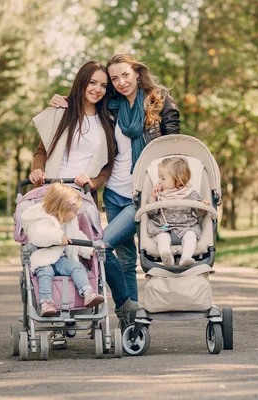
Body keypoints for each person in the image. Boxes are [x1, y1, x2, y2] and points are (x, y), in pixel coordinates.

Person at [50, 54, 180, 327]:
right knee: (125, 258)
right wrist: (59, 100)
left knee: (101, 245)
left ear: (137, 72)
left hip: (143, 193)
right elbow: (84, 101)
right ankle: (132, 325)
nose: (120, 82)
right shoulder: (111, 106)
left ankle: (126, 308)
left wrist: (166, 185)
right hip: (114, 192)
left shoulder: (159, 101)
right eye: (114, 79)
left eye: (125, 75)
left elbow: (172, 149)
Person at [29, 61, 116, 208]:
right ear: (81, 82)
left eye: (103, 86)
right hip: (50, 191)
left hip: (81, 197)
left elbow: (107, 167)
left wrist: (93, 183)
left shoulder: (109, 122)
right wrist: (37, 170)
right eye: (92, 83)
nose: (98, 89)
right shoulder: (61, 112)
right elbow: (42, 151)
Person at [21, 182, 104, 317]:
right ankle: (46, 302)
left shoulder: (70, 222)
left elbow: (77, 237)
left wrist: (89, 250)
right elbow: (38, 236)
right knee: (45, 273)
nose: (75, 214)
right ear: (61, 209)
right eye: (74, 212)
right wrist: (58, 237)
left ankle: (88, 292)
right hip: (43, 259)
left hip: (61, 259)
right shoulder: (40, 219)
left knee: (77, 267)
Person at [146, 157, 209, 267]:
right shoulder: (159, 194)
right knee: (162, 238)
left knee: (191, 236)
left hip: (186, 226)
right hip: (163, 226)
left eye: (163, 178)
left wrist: (202, 207)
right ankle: (166, 256)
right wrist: (152, 198)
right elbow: (151, 213)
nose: (159, 181)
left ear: (178, 180)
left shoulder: (190, 194)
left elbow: (200, 214)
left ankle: (186, 258)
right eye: (159, 177)